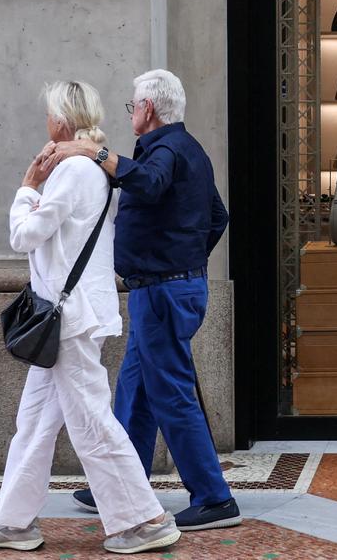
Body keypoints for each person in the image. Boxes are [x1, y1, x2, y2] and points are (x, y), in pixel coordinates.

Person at [0, 81, 180, 554]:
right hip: (72, 315)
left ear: (60, 122)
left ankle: (144, 520)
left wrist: (26, 190)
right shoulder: (91, 169)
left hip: (67, 320)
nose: (45, 122)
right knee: (35, 422)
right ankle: (13, 522)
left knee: (91, 422)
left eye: (49, 114)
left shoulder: (73, 173)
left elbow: (25, 237)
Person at [45, 70, 240, 532]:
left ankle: (214, 497)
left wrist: (97, 152)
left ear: (148, 109)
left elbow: (149, 184)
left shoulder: (167, 151)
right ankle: (116, 484)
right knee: (136, 389)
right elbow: (218, 215)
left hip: (163, 291)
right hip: (167, 287)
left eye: (133, 106)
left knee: (170, 393)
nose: (131, 113)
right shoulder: (189, 148)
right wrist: (186, 261)